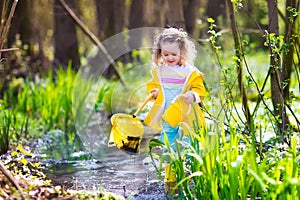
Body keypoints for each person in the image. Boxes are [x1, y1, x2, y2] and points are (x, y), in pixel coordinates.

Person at [143, 27, 207, 192]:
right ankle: (170, 180)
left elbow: (200, 90)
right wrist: (155, 92)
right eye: (165, 54)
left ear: (182, 51)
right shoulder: (159, 71)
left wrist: (192, 96)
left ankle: (193, 174)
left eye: (174, 54)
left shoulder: (189, 71)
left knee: (189, 142)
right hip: (167, 114)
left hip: (185, 114)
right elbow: (154, 86)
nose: (169, 58)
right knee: (168, 145)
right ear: (159, 54)